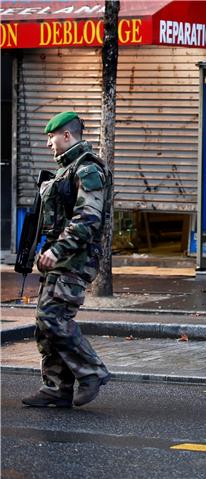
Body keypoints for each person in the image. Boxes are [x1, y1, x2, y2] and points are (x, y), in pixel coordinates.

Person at [22, 111, 111, 408]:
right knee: (44, 322)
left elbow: (88, 219)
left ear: (67, 136)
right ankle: (57, 386)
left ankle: (92, 371)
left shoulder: (87, 170)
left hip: (76, 258)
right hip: (61, 258)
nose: (48, 143)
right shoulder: (66, 170)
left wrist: (57, 250)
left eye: (51, 137)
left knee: (53, 317)